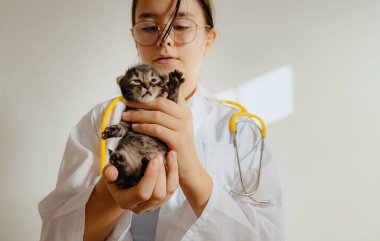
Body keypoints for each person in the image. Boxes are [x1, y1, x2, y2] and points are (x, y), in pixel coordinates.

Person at [38, 0, 284, 240]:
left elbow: (267, 235)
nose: (164, 39)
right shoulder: (99, 121)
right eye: (148, 28)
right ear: (135, 39)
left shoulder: (241, 132)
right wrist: (110, 196)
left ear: (209, 39)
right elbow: (54, 235)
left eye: (181, 26)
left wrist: (191, 171)